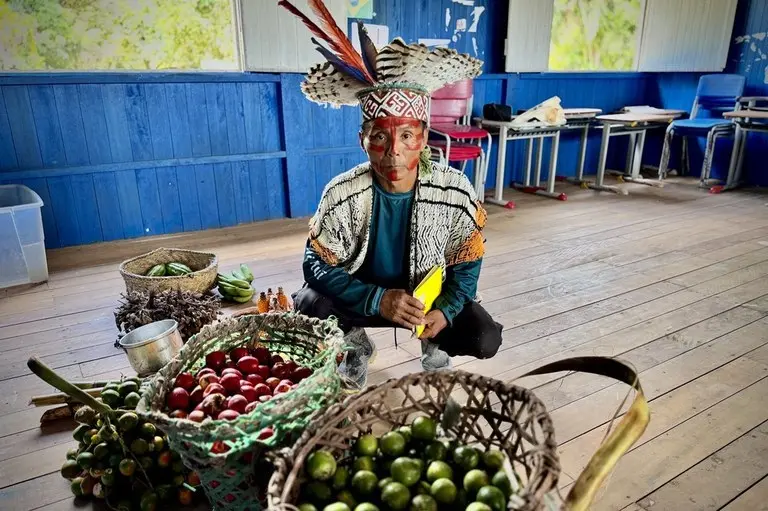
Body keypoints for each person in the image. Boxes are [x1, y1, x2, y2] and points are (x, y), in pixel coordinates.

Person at [279, 0, 503, 387]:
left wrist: (447, 309)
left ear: (422, 139)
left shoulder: (454, 190)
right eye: (380, 135)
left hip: (424, 300)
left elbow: (468, 264)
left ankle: (436, 343)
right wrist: (377, 299)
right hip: (362, 298)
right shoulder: (343, 192)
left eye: (406, 135)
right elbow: (314, 265)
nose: (393, 149)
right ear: (362, 140)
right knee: (309, 304)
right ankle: (354, 345)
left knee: (484, 336)